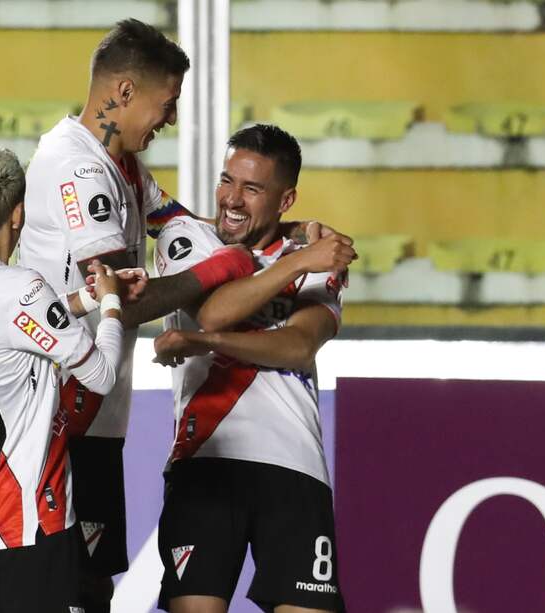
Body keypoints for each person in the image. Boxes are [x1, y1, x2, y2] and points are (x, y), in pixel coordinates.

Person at [19, 19, 263, 611]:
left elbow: (181, 222)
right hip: (58, 416)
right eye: (167, 102)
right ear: (124, 92)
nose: (170, 119)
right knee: (67, 589)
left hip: (94, 415)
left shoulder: (121, 163)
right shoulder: (77, 168)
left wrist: (283, 236)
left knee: (91, 586)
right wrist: (221, 269)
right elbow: (119, 300)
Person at [152, 123, 355, 613]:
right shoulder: (187, 237)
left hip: (294, 463)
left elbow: (298, 346)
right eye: (227, 180)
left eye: (252, 188)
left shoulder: (319, 256)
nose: (232, 199)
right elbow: (214, 310)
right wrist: (297, 261)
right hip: (206, 461)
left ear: (286, 200)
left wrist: (204, 344)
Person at [0, 145, 126, 612]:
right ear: (18, 214)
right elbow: (100, 375)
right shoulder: (23, 288)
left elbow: (14, 322)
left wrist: (84, 299)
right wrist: (112, 304)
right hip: (33, 521)